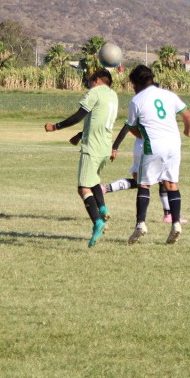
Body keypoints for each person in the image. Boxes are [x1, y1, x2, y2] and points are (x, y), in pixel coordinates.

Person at [113, 65, 190, 245]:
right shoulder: (169, 95)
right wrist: (188, 130)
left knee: (144, 184)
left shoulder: (137, 100)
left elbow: (130, 126)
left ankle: (140, 224)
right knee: (171, 184)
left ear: (136, 83)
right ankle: (176, 223)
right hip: (174, 145)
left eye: (133, 84)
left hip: (153, 145)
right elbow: (187, 115)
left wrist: (142, 135)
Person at [45, 69, 119, 247]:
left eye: (90, 80)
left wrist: (55, 127)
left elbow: (80, 115)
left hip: (92, 148)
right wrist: (80, 135)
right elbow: (97, 120)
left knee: (83, 188)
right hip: (105, 147)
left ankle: (97, 222)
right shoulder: (113, 95)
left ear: (97, 80)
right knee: (94, 181)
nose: (89, 84)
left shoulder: (95, 92)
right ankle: (102, 208)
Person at [100, 132, 187, 225]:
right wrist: (115, 147)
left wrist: (115, 147)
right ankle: (168, 214)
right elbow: (127, 127)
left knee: (142, 181)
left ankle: (105, 189)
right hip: (148, 147)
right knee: (156, 180)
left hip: (143, 146)